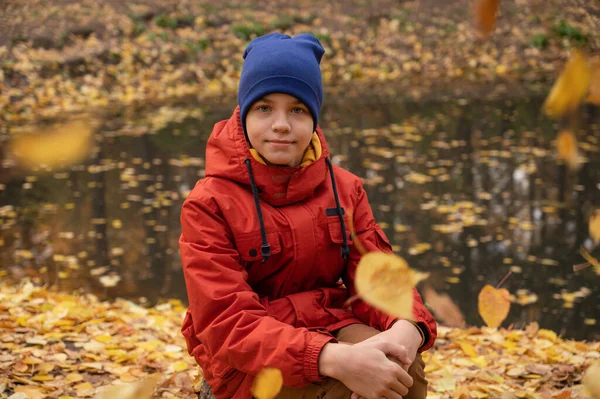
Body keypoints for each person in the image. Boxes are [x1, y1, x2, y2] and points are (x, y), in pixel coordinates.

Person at [179, 32, 437, 399]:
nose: (281, 124)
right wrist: (333, 360)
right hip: (247, 358)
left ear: (314, 118)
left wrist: (407, 328)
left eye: (297, 110)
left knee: (401, 372)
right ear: (243, 113)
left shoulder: (345, 189)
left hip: (330, 324)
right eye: (265, 108)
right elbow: (227, 322)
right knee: (339, 388)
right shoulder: (209, 203)